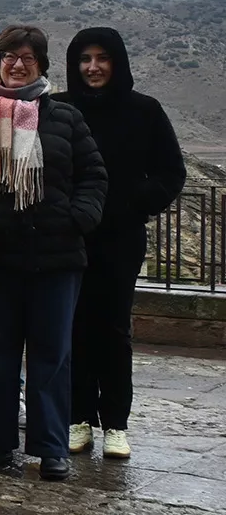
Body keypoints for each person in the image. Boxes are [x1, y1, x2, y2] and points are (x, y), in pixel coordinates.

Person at [0, 25, 107, 481]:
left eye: (28, 58)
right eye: (10, 57)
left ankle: (50, 446)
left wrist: (78, 218)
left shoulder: (66, 118)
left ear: (42, 65)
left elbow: (94, 176)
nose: (17, 65)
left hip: (56, 258)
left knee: (52, 354)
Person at [56, 27, 185, 460]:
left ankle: (115, 423)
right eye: (85, 59)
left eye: (102, 58)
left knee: (112, 330)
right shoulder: (60, 108)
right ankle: (77, 419)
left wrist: (134, 205)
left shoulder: (145, 111)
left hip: (121, 239)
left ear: (117, 62)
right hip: (69, 239)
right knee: (72, 327)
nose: (93, 67)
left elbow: (171, 172)